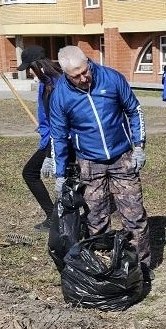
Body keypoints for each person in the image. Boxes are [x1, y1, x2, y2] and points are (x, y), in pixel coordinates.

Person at [48, 45, 151, 271]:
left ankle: (140, 268)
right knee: (96, 219)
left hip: (122, 157)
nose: (84, 78)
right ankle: (104, 267)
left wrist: (139, 146)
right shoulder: (60, 96)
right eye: (76, 76)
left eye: (85, 71)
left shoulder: (111, 78)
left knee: (134, 215)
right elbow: (58, 137)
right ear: (66, 74)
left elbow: (134, 110)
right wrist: (60, 174)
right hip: (89, 163)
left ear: (88, 62)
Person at [15, 46, 58, 231]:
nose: (30, 73)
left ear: (37, 65)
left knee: (30, 173)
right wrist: (42, 125)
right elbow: (47, 115)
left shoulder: (52, 85)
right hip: (51, 136)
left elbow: (59, 119)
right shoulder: (48, 81)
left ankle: (54, 218)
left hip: (56, 139)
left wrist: (49, 154)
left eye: (30, 68)